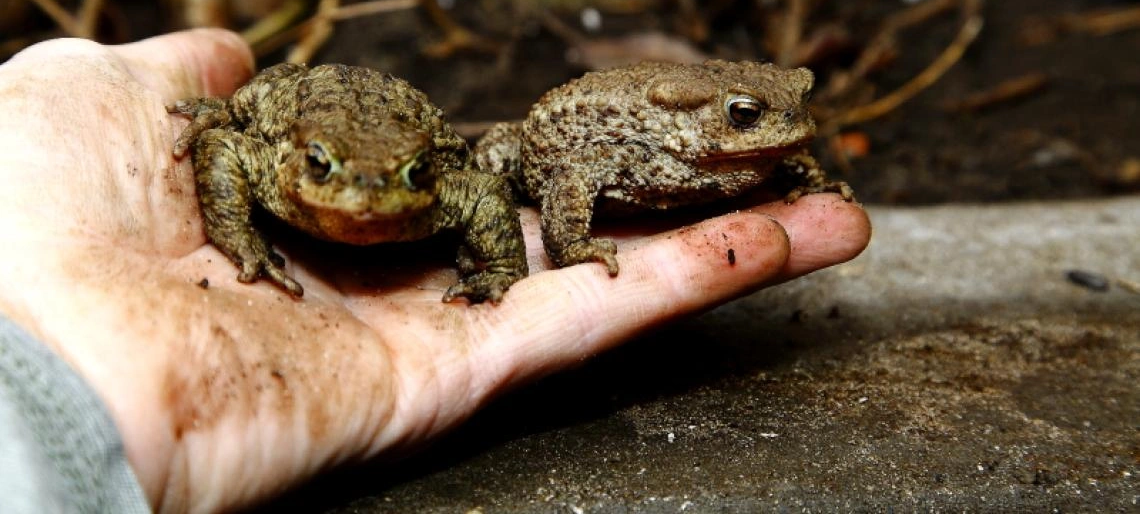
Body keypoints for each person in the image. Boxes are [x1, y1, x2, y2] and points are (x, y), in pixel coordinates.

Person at [0, 30, 871, 513]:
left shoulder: (449, 187)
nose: (370, 203)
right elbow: (227, 141)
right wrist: (239, 241)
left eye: (418, 183)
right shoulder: (271, 162)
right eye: (328, 177)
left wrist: (493, 269)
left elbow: (478, 200)